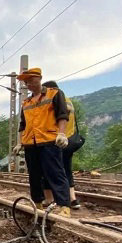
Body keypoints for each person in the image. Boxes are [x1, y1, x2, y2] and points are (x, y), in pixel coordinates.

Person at [13, 68, 71, 217]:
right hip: (30, 143)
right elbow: (23, 125)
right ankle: (37, 203)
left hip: (49, 140)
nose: (29, 84)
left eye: (31, 80)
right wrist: (20, 142)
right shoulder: (26, 102)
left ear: (39, 78)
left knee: (55, 173)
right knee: (34, 175)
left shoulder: (54, 94)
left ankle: (64, 206)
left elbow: (62, 114)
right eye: (26, 82)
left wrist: (61, 133)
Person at [41, 80, 82, 209]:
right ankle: (72, 199)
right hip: (69, 140)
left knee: (49, 171)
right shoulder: (68, 100)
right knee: (66, 170)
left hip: (56, 141)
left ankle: (50, 199)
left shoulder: (54, 100)